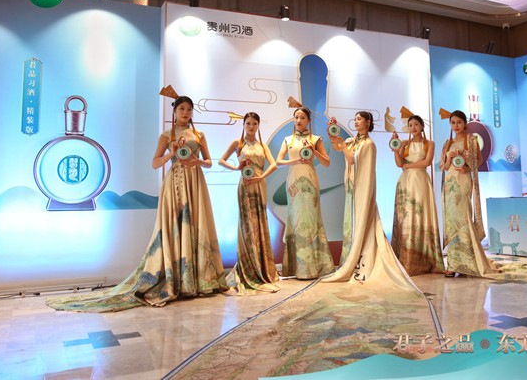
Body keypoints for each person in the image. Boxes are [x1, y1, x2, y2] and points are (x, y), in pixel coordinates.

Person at [46, 95, 229, 312]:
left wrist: (198, 161)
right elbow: (155, 163)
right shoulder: (167, 135)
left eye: (189, 109)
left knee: (196, 224)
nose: (186, 113)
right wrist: (171, 154)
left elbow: (208, 162)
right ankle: (177, 279)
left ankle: (198, 280)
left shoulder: (199, 135)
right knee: (175, 227)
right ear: (174, 111)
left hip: (195, 182)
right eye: (182, 108)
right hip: (175, 183)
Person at [322, 111, 414, 289]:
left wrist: (343, 147)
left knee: (361, 224)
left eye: (359, 119)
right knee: (350, 224)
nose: (356, 122)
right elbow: (337, 146)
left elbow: (351, 159)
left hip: (361, 190)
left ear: (368, 122)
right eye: (355, 119)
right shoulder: (353, 141)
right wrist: (333, 132)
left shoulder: (369, 144)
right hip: (351, 187)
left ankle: (359, 262)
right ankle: (348, 260)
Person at [219, 112, 280, 293]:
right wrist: (236, 167)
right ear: (243, 125)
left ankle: (262, 267)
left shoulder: (262, 145)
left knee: (260, 223)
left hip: (259, 185)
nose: (251, 126)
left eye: (254, 123)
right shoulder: (238, 144)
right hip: (245, 186)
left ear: (258, 125)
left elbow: (274, 164)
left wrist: (262, 176)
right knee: (247, 226)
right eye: (248, 123)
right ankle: (248, 268)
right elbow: (221, 160)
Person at [275, 107, 335, 279]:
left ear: (309, 120)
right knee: (295, 219)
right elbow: (278, 162)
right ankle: (296, 267)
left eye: (302, 117)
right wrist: (295, 160)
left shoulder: (316, 139)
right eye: (296, 117)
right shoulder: (288, 140)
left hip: (310, 180)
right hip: (293, 181)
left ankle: (313, 267)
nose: (299, 120)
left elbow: (327, 163)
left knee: (310, 219)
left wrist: (314, 151)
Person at [441, 110, 498, 277]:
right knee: (452, 221)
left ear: (465, 123)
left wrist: (466, 167)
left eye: (459, 122)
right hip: (450, 183)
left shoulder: (472, 140)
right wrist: (449, 158)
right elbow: (444, 167)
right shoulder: (447, 143)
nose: (456, 125)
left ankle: (468, 261)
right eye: (453, 122)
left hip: (464, 181)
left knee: (464, 217)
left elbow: (478, 161)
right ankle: (453, 263)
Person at [390, 115, 444, 276]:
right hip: (405, 182)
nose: (413, 127)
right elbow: (399, 163)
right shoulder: (404, 143)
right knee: (407, 217)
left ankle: (425, 259)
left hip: (421, 181)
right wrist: (396, 149)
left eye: (416, 124)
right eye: (410, 125)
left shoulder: (430, 143)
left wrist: (408, 166)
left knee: (422, 215)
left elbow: (427, 162)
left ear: (422, 126)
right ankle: (406, 258)